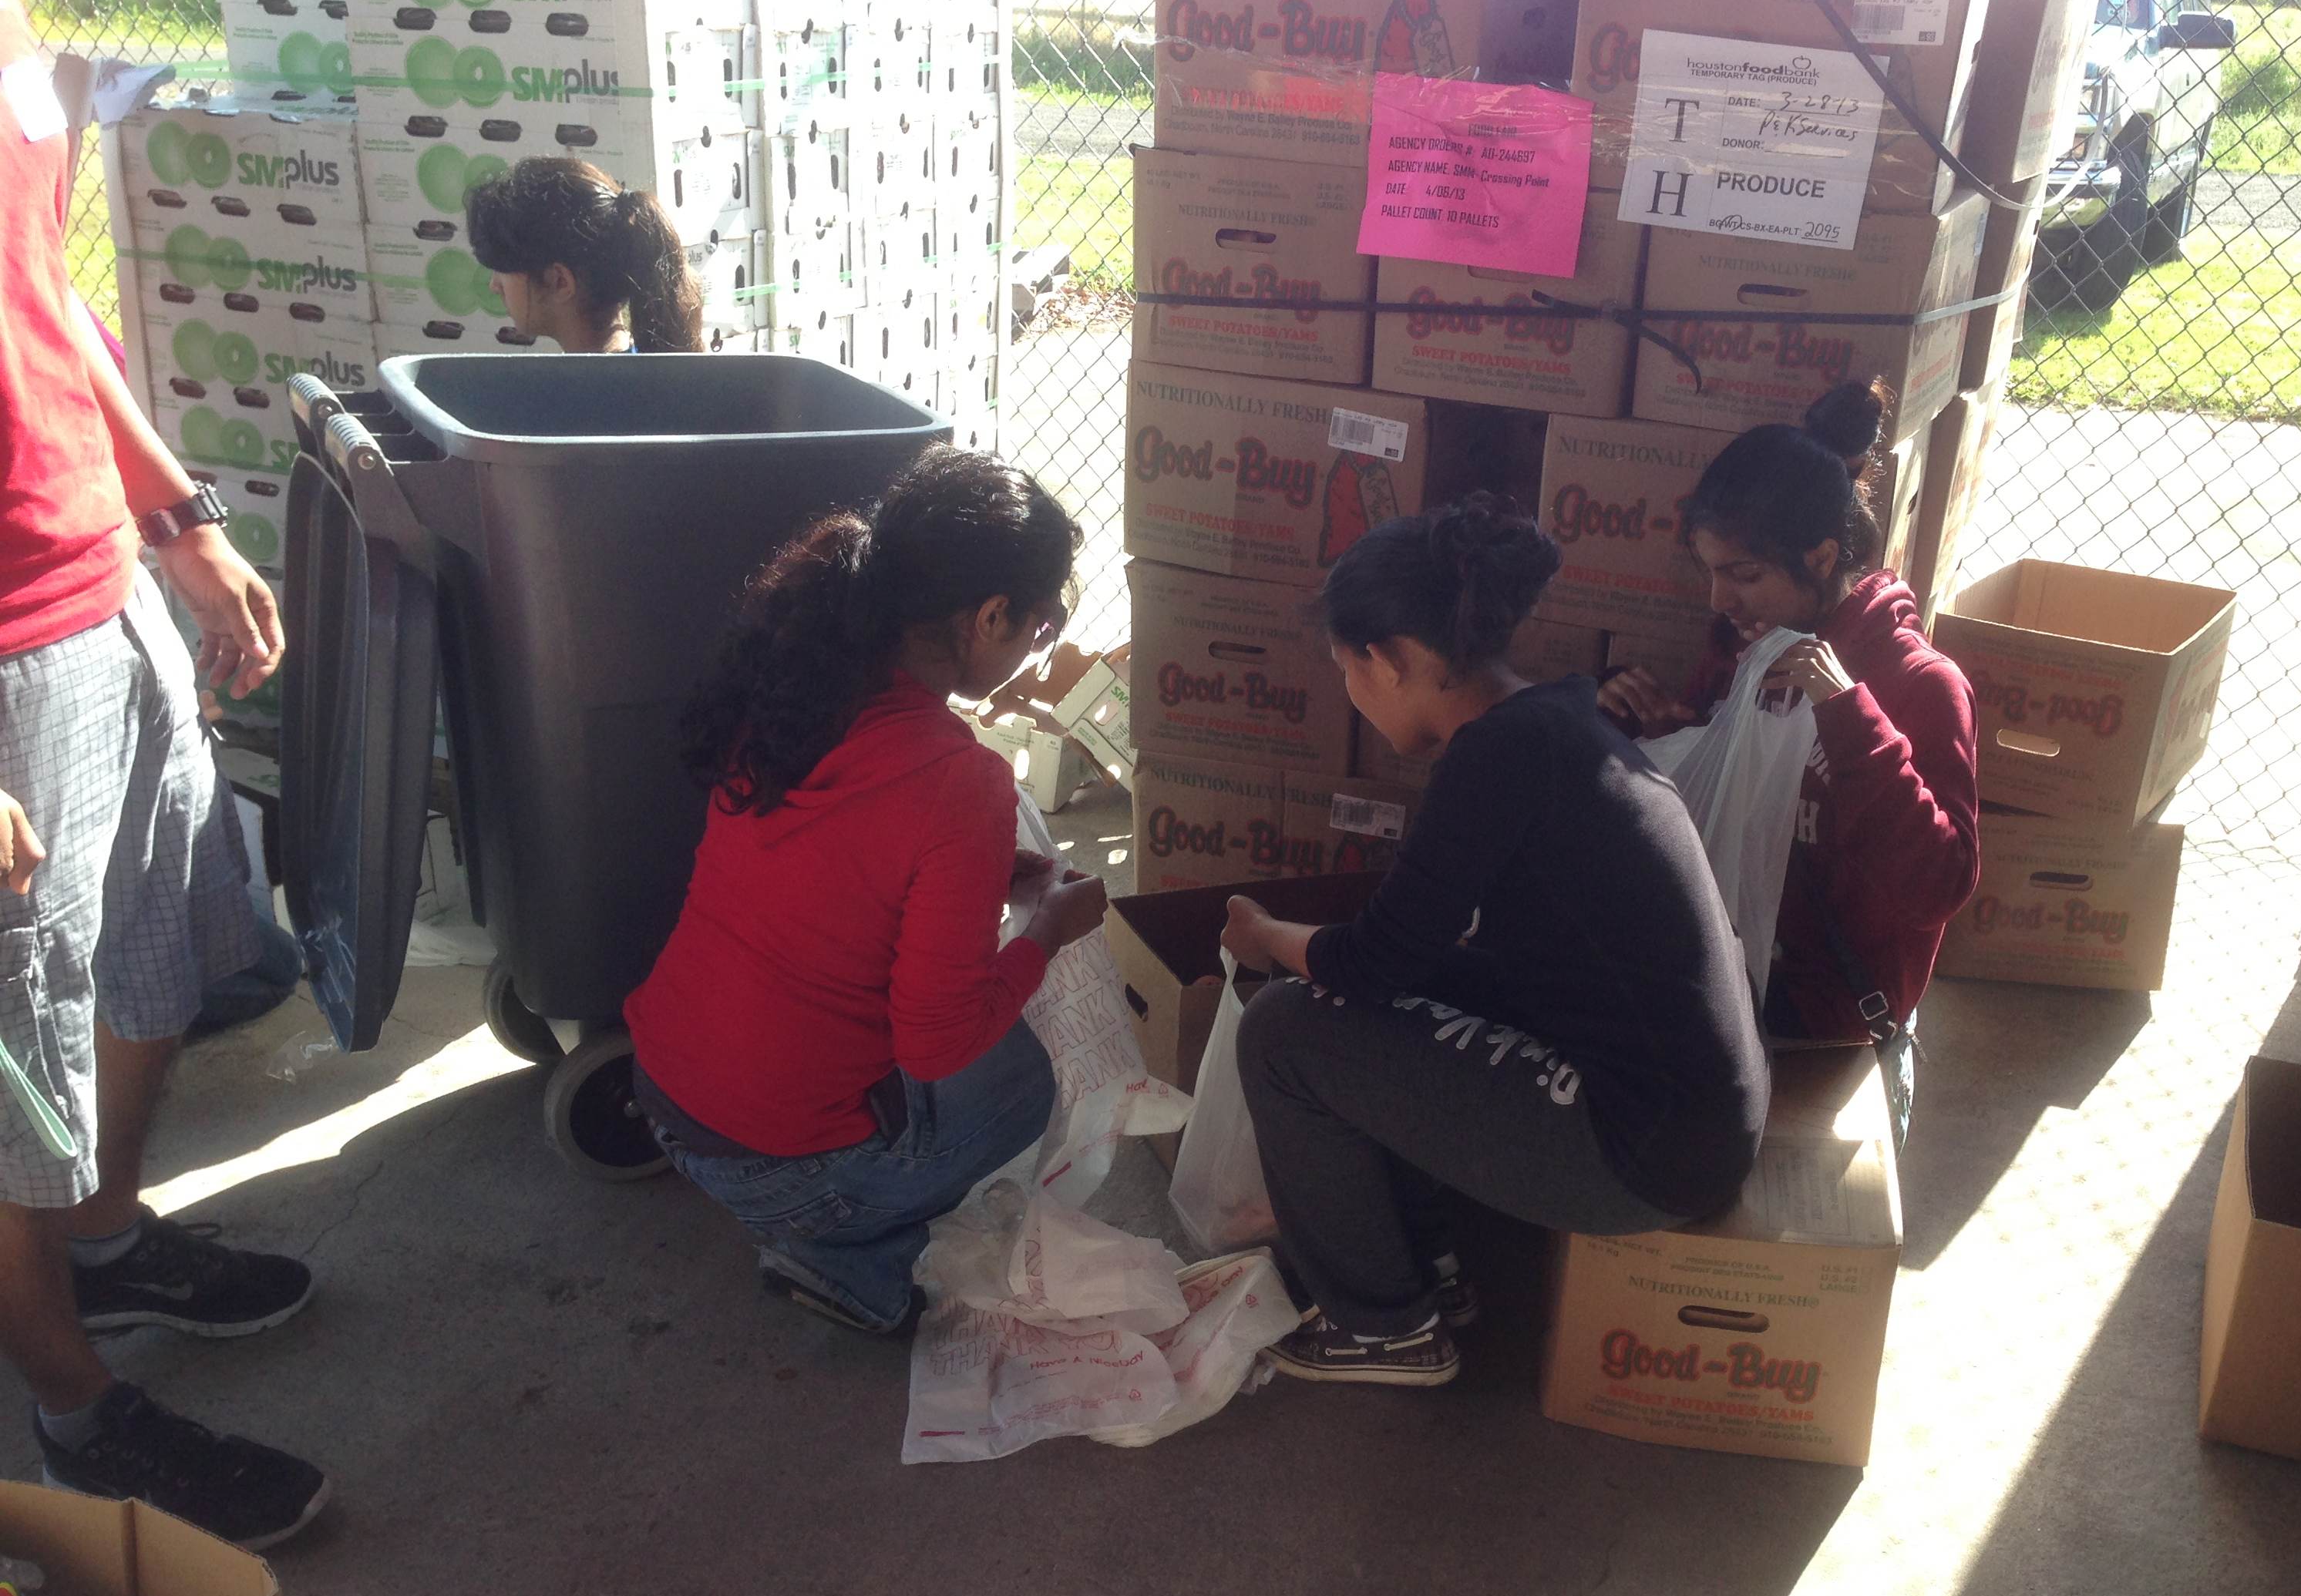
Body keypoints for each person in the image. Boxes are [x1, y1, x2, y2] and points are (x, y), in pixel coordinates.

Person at [2, 0, 328, 1546]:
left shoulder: (13, 15)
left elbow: (39, 295)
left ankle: (106, 1241)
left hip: (94, 577)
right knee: (11, 1058)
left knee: (151, 954)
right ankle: (73, 1406)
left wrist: (176, 518)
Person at [1219, 496, 1771, 1388]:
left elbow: (1372, 961)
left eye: (1347, 671)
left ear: (1390, 660)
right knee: (1396, 992)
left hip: (1644, 1153)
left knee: (1283, 1029)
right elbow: (1426, 958)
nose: (1351, 693)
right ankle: (1426, 1267)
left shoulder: (1493, 758)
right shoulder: (1559, 721)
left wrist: (1263, 934)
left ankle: (1384, 1327)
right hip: (1697, 1117)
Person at [625, 449, 1107, 1335]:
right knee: (1029, 1076)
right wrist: (1047, 928)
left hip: (663, 1090)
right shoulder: (958, 780)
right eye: (1041, 628)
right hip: (778, 1169)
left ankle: (813, 1206)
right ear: (990, 616)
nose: (1036, 649)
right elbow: (936, 1041)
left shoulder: (796, 687)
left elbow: (838, 869)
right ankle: (846, 1260)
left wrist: (986, 874)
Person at [1598, 382, 1980, 1076]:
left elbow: (1937, 890)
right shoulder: (1741, 649)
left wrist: (1849, 715)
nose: (1719, 599)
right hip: (1725, 971)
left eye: (1744, 575)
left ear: (1823, 558)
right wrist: (1672, 735)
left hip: (1828, 1011)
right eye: (1711, 573)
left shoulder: (1921, 684)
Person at [463, 155, 705, 354]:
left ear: (559, 281)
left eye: (502, 269)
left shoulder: (583, 394)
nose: (494, 285)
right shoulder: (640, 377)